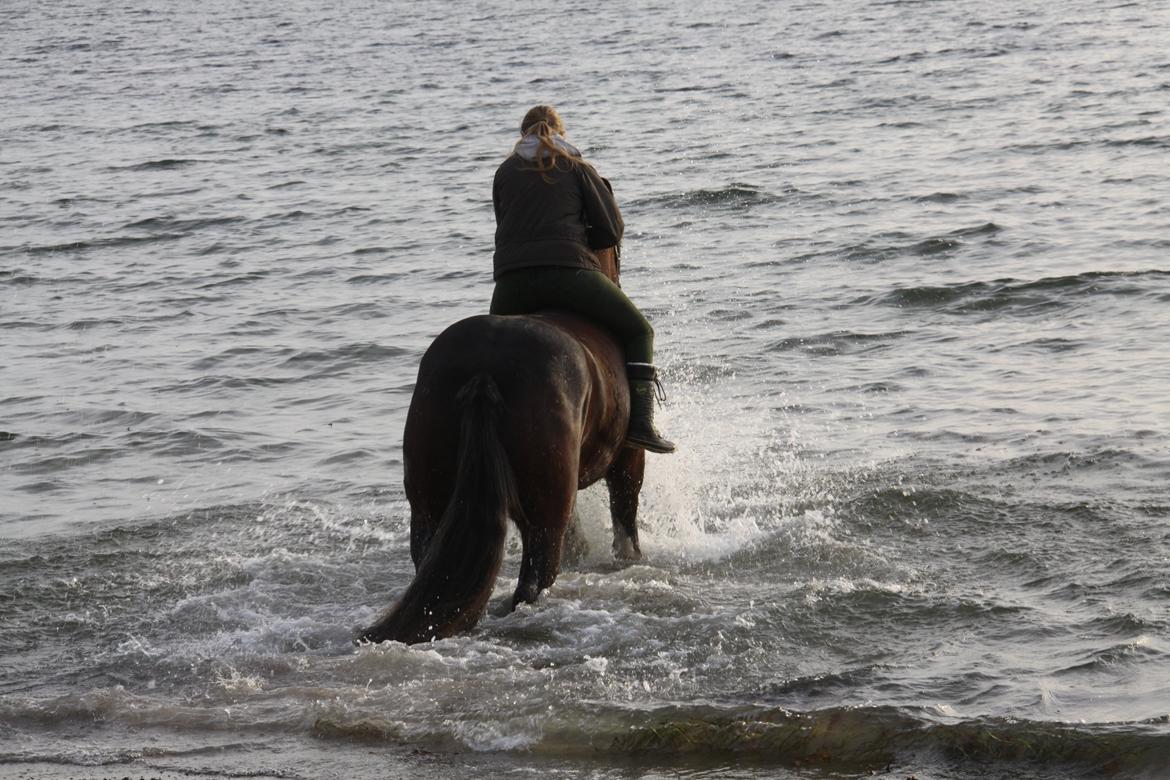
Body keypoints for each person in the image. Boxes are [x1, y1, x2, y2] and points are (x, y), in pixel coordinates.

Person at [490, 105, 675, 454]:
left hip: (511, 286)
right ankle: (640, 425)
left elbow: (504, 227)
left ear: (523, 134)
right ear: (561, 133)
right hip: (568, 275)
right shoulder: (576, 166)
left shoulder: (504, 172)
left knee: (488, 353)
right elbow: (610, 231)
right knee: (640, 331)